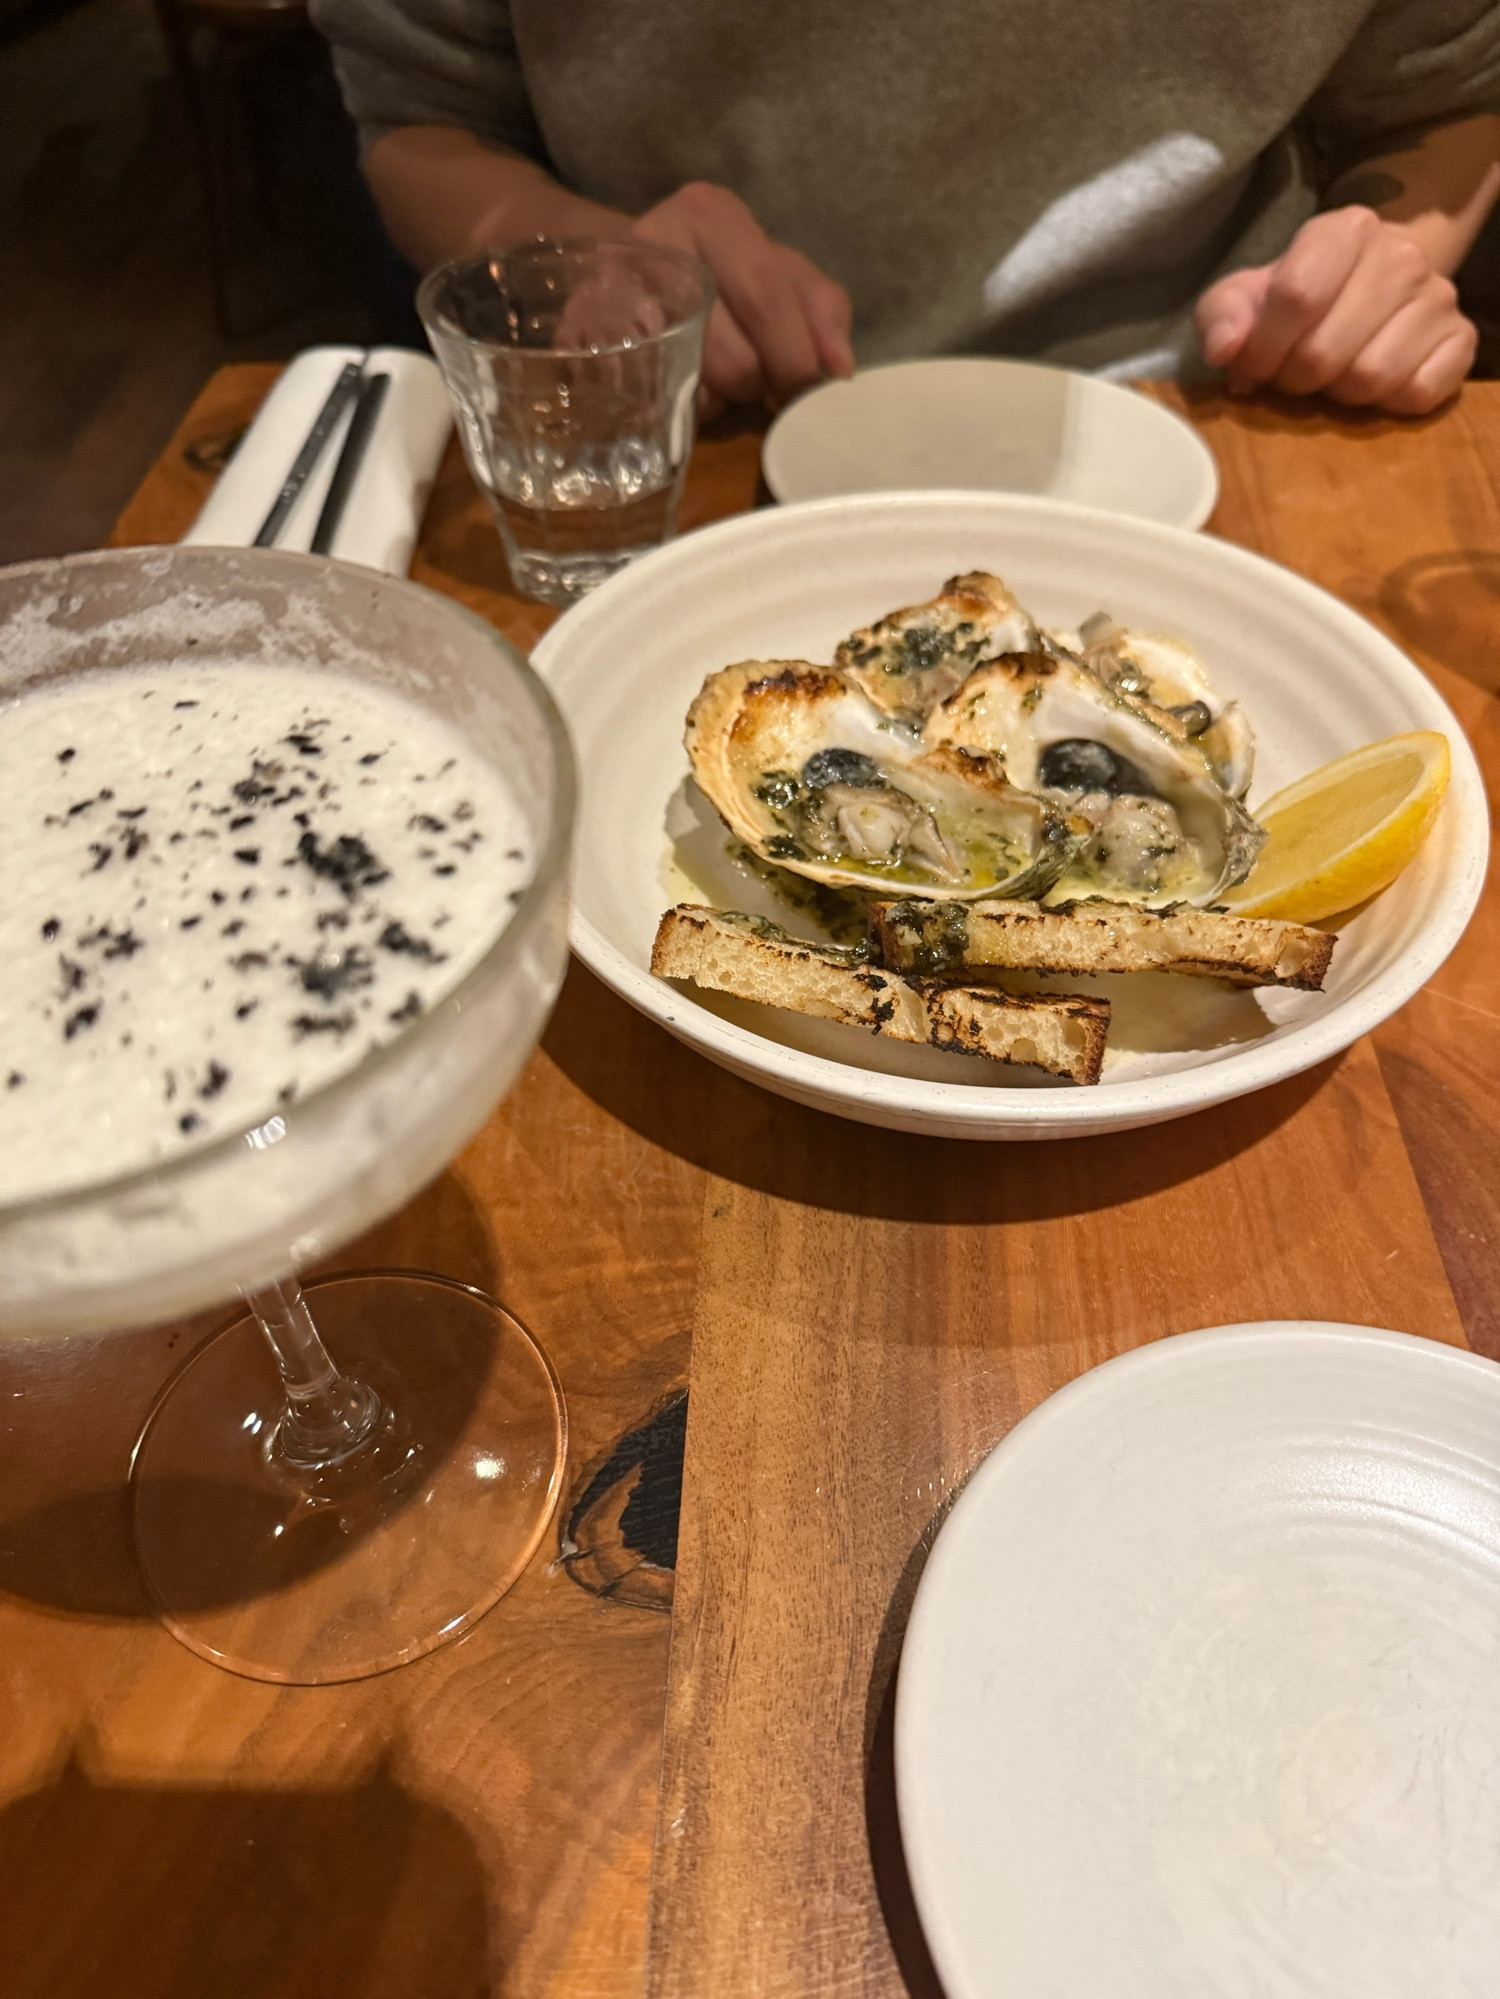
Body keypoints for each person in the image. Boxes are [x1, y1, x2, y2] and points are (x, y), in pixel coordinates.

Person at [311, 0, 1500, 417]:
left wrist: (1385, 260)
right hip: (684, 426)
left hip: (1220, 411)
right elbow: (421, 116)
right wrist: (588, 264)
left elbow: (1447, 101)